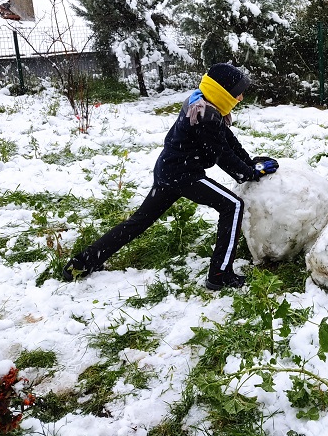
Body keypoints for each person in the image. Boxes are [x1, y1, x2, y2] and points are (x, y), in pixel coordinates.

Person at [62, 63, 278, 290]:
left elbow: (227, 140)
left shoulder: (203, 104)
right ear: (222, 92)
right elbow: (224, 156)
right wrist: (251, 172)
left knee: (139, 221)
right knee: (233, 205)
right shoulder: (204, 115)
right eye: (237, 92)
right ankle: (219, 275)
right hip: (182, 174)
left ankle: (81, 263)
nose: (241, 97)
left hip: (169, 170)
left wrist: (249, 160)